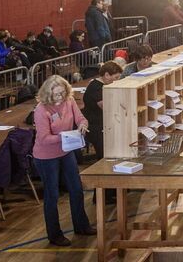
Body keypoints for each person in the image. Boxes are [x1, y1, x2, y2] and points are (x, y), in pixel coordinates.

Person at [32, 75, 95, 246]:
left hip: (66, 151)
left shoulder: (69, 101)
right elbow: (44, 138)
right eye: (56, 95)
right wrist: (65, 136)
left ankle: (81, 225)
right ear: (48, 94)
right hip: (46, 156)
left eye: (62, 93)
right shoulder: (41, 110)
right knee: (52, 195)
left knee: (76, 189)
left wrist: (83, 125)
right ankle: (54, 234)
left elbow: (81, 118)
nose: (59, 98)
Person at [82, 61, 122, 162]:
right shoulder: (96, 87)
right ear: (107, 75)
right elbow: (106, 107)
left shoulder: (103, 85)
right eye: (116, 78)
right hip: (95, 125)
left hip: (101, 123)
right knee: (104, 154)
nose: (117, 81)